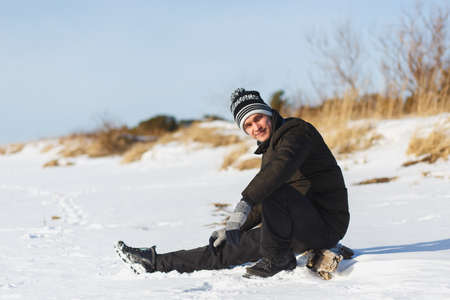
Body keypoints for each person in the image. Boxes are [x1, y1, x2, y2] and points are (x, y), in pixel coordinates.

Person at [116, 88, 351, 279]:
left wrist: (246, 201)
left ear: (268, 113)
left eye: (257, 118)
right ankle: (155, 262)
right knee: (227, 248)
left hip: (326, 222)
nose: (255, 127)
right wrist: (234, 226)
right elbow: (270, 199)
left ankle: (279, 258)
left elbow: (280, 170)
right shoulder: (270, 149)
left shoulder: (297, 132)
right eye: (247, 125)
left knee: (268, 191)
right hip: (297, 225)